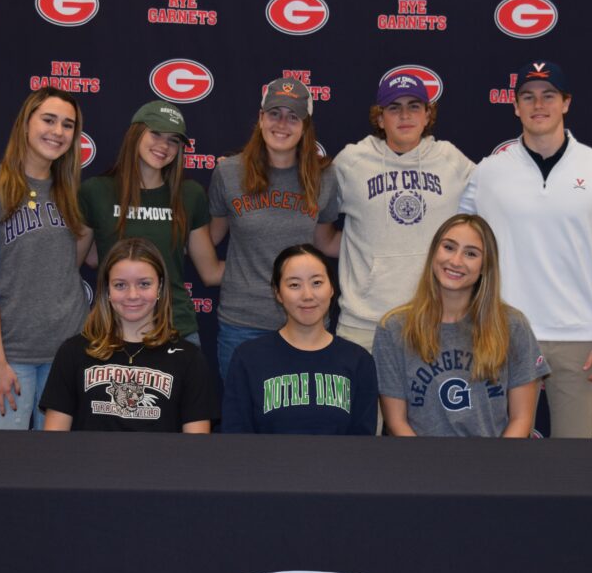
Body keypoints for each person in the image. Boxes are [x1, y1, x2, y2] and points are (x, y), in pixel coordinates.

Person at [459, 61, 592, 438]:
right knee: (499, 461)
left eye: (549, 95)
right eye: (528, 96)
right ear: (516, 106)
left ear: (566, 103)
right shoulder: (489, 172)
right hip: (502, 333)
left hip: (579, 338)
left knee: (573, 464)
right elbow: (459, 251)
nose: (539, 105)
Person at [0, 87, 90, 430]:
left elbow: (69, 266)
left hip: (65, 353)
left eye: (68, 125)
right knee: (5, 469)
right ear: (26, 123)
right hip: (12, 356)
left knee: (58, 471)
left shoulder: (73, 190)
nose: (57, 132)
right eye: (48, 120)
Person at [334, 72, 476, 354]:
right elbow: (309, 206)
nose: (405, 115)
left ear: (427, 116)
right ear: (379, 118)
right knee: (359, 400)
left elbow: (498, 199)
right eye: (394, 108)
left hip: (433, 320)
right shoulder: (351, 162)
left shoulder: (450, 160)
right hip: (363, 323)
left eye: (414, 106)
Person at [209, 77, 339, 381]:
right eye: (274, 113)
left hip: (307, 321)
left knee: (306, 421)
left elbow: (324, 240)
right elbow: (209, 237)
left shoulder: (324, 176)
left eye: (293, 116)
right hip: (242, 322)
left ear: (305, 126)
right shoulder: (229, 173)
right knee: (242, 422)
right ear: (260, 118)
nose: (282, 123)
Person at [373, 214, 549, 437]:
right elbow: (396, 422)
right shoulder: (394, 328)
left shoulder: (513, 326)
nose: (456, 261)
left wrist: (496, 468)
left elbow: (521, 419)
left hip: (492, 464)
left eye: (471, 254)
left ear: (486, 266)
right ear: (433, 252)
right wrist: (426, 469)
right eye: (448, 247)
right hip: (419, 463)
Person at [79, 101, 222, 346]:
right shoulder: (96, 191)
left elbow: (210, 272)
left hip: (176, 328)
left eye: (174, 140)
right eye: (156, 133)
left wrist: (273, 269)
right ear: (135, 133)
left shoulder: (190, 195)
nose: (164, 145)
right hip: (112, 331)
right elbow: (80, 260)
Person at [41, 238, 218, 432]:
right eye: (120, 285)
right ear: (107, 289)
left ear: (159, 288)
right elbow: (54, 442)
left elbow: (196, 449)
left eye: (144, 284)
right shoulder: (73, 352)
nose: (132, 295)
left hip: (162, 463)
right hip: (91, 463)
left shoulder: (189, 359)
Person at [222, 244, 377, 435]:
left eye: (317, 283)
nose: (307, 295)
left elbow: (362, 443)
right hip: (266, 465)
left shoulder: (359, 360)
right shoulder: (248, 358)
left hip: (337, 465)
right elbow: (236, 438)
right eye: (294, 285)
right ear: (278, 293)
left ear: (331, 289)